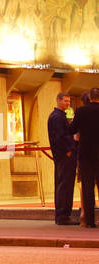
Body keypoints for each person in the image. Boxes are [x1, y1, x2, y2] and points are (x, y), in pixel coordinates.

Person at [48, 92, 77, 226]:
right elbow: (59, 137)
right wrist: (68, 151)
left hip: (62, 156)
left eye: (69, 101)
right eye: (65, 101)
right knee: (64, 184)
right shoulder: (57, 117)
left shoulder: (59, 116)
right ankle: (63, 215)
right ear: (58, 101)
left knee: (63, 184)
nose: (68, 103)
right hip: (64, 156)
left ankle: (63, 214)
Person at [71, 87, 99, 229]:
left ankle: (89, 221)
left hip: (86, 153)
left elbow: (72, 129)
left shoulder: (81, 111)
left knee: (87, 187)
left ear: (89, 96)